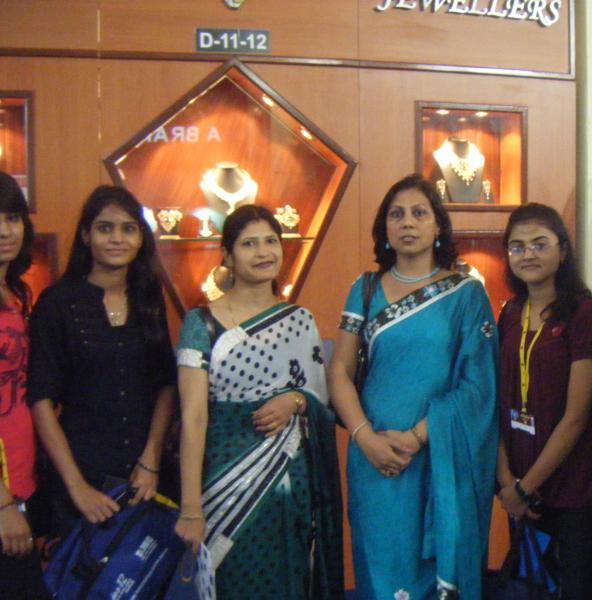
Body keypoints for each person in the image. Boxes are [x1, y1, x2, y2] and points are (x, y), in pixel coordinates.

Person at [328, 174, 498, 600]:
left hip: (437, 455)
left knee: (433, 572)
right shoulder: (364, 289)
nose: (407, 222)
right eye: (396, 214)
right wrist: (366, 439)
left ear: (437, 225)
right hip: (373, 456)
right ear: (384, 227)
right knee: (381, 572)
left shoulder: (466, 294)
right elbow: (339, 372)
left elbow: (478, 386)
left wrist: (418, 436)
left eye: (419, 213)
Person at [174, 205, 342, 599]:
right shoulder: (202, 324)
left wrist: (295, 400)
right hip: (224, 482)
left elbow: (322, 404)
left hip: (288, 481)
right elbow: (193, 417)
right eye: (249, 244)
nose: (263, 252)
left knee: (288, 580)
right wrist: (191, 508)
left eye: (270, 241)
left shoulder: (300, 320)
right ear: (228, 256)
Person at [28, 185, 176, 537]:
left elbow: (166, 383)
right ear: (86, 235)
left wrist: (151, 460)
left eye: (128, 229)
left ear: (140, 239)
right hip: (81, 471)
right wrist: (77, 486)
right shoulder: (57, 302)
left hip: (146, 472)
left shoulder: (148, 296)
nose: (117, 239)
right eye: (105, 228)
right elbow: (40, 398)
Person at [495, 203, 592, 600]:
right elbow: (498, 402)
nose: (528, 254)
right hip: (520, 482)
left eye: (539, 244)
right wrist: (507, 481)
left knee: (576, 588)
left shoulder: (585, 314)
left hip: (572, 487)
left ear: (562, 250)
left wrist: (525, 487)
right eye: (517, 246)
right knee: (532, 588)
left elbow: (577, 417)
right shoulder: (511, 313)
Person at [0, 172, 47, 598]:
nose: (4, 230)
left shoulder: (15, 293)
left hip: (24, 481)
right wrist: (2, 504)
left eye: (12, 217)